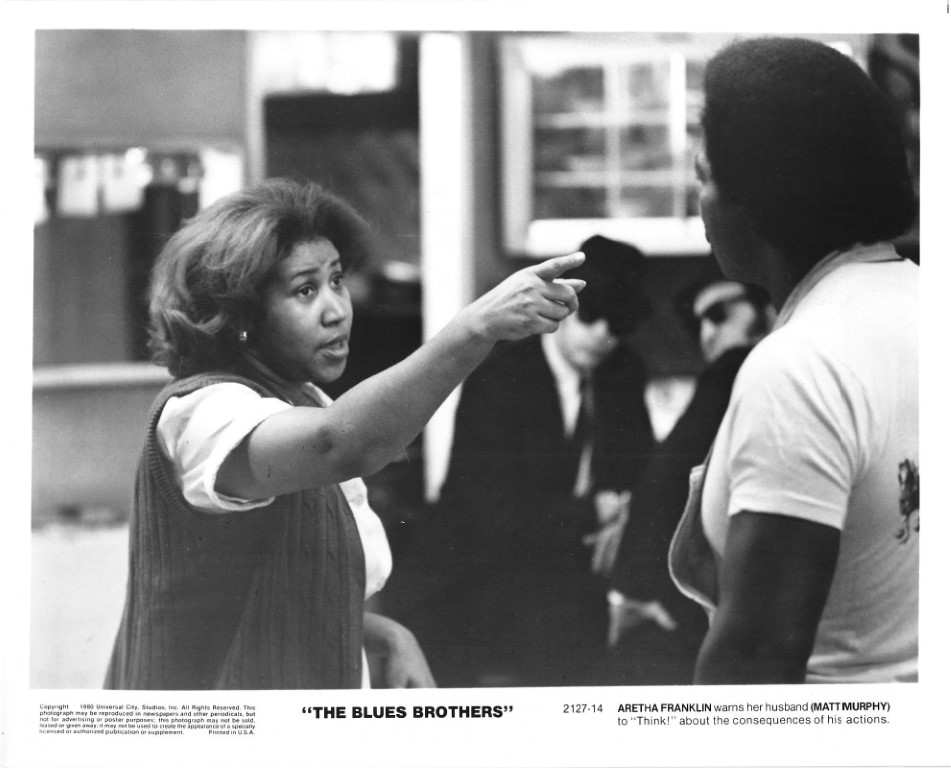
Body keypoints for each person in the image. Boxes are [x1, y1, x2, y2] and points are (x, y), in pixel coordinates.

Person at [104, 178, 587, 690]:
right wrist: (475, 327)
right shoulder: (204, 413)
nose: (337, 309)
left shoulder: (302, 399)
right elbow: (340, 445)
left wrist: (385, 634)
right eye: (305, 290)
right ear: (241, 316)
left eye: (336, 280)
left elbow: (280, 587)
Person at [669, 36, 918, 684]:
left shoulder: (799, 367)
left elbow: (754, 664)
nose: (698, 201)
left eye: (704, 176)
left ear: (759, 198)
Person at [424, 235, 656, 687]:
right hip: (484, 571)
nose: (603, 333)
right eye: (592, 314)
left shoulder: (623, 372)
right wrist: (595, 512)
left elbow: (637, 471)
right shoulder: (502, 374)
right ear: (564, 309)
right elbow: (493, 515)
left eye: (620, 322)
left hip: (573, 569)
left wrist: (623, 514)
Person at [607, 266, 774, 685]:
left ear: (767, 308)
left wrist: (634, 591)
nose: (707, 333)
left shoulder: (735, 366)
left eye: (718, 314)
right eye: (697, 323)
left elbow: (663, 479)